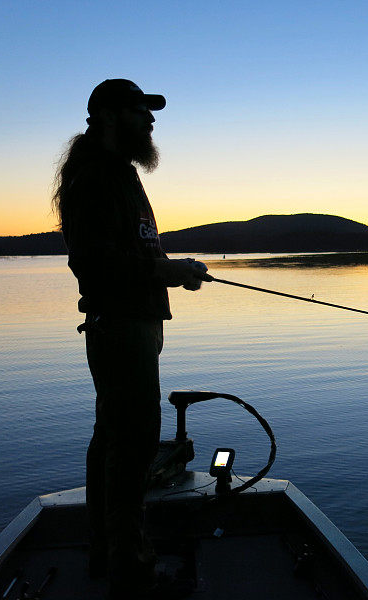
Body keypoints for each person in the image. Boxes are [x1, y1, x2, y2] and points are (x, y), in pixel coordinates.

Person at [52, 79, 208, 599]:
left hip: (132, 324)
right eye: (142, 110)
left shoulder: (117, 173)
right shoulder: (96, 176)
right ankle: (133, 569)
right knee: (134, 444)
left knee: (114, 441)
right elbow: (93, 263)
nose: (151, 119)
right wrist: (171, 270)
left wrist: (170, 270)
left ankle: (107, 552)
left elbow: (130, 254)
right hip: (121, 329)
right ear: (111, 115)